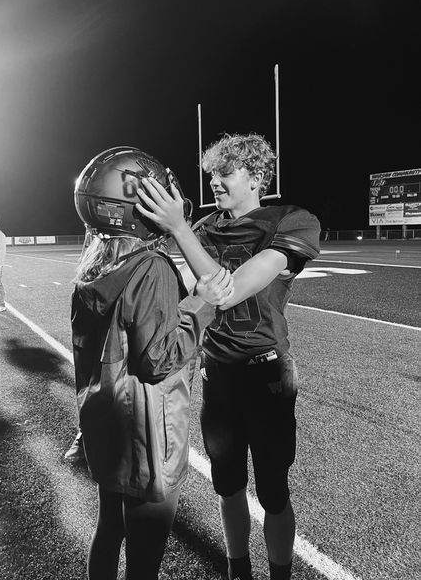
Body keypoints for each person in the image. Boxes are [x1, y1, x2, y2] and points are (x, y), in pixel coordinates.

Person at [136, 133, 321, 580]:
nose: (214, 182)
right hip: (217, 374)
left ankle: (280, 575)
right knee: (228, 486)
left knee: (274, 492)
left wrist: (179, 229)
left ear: (256, 176)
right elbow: (173, 290)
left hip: (266, 374)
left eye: (225, 172)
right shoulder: (202, 228)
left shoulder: (289, 221)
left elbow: (232, 291)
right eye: (211, 174)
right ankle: (239, 572)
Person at [72, 146, 234, 580]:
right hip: (147, 433)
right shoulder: (151, 267)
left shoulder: (95, 262)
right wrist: (203, 304)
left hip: (105, 420)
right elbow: (159, 359)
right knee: (144, 559)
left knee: (109, 530)